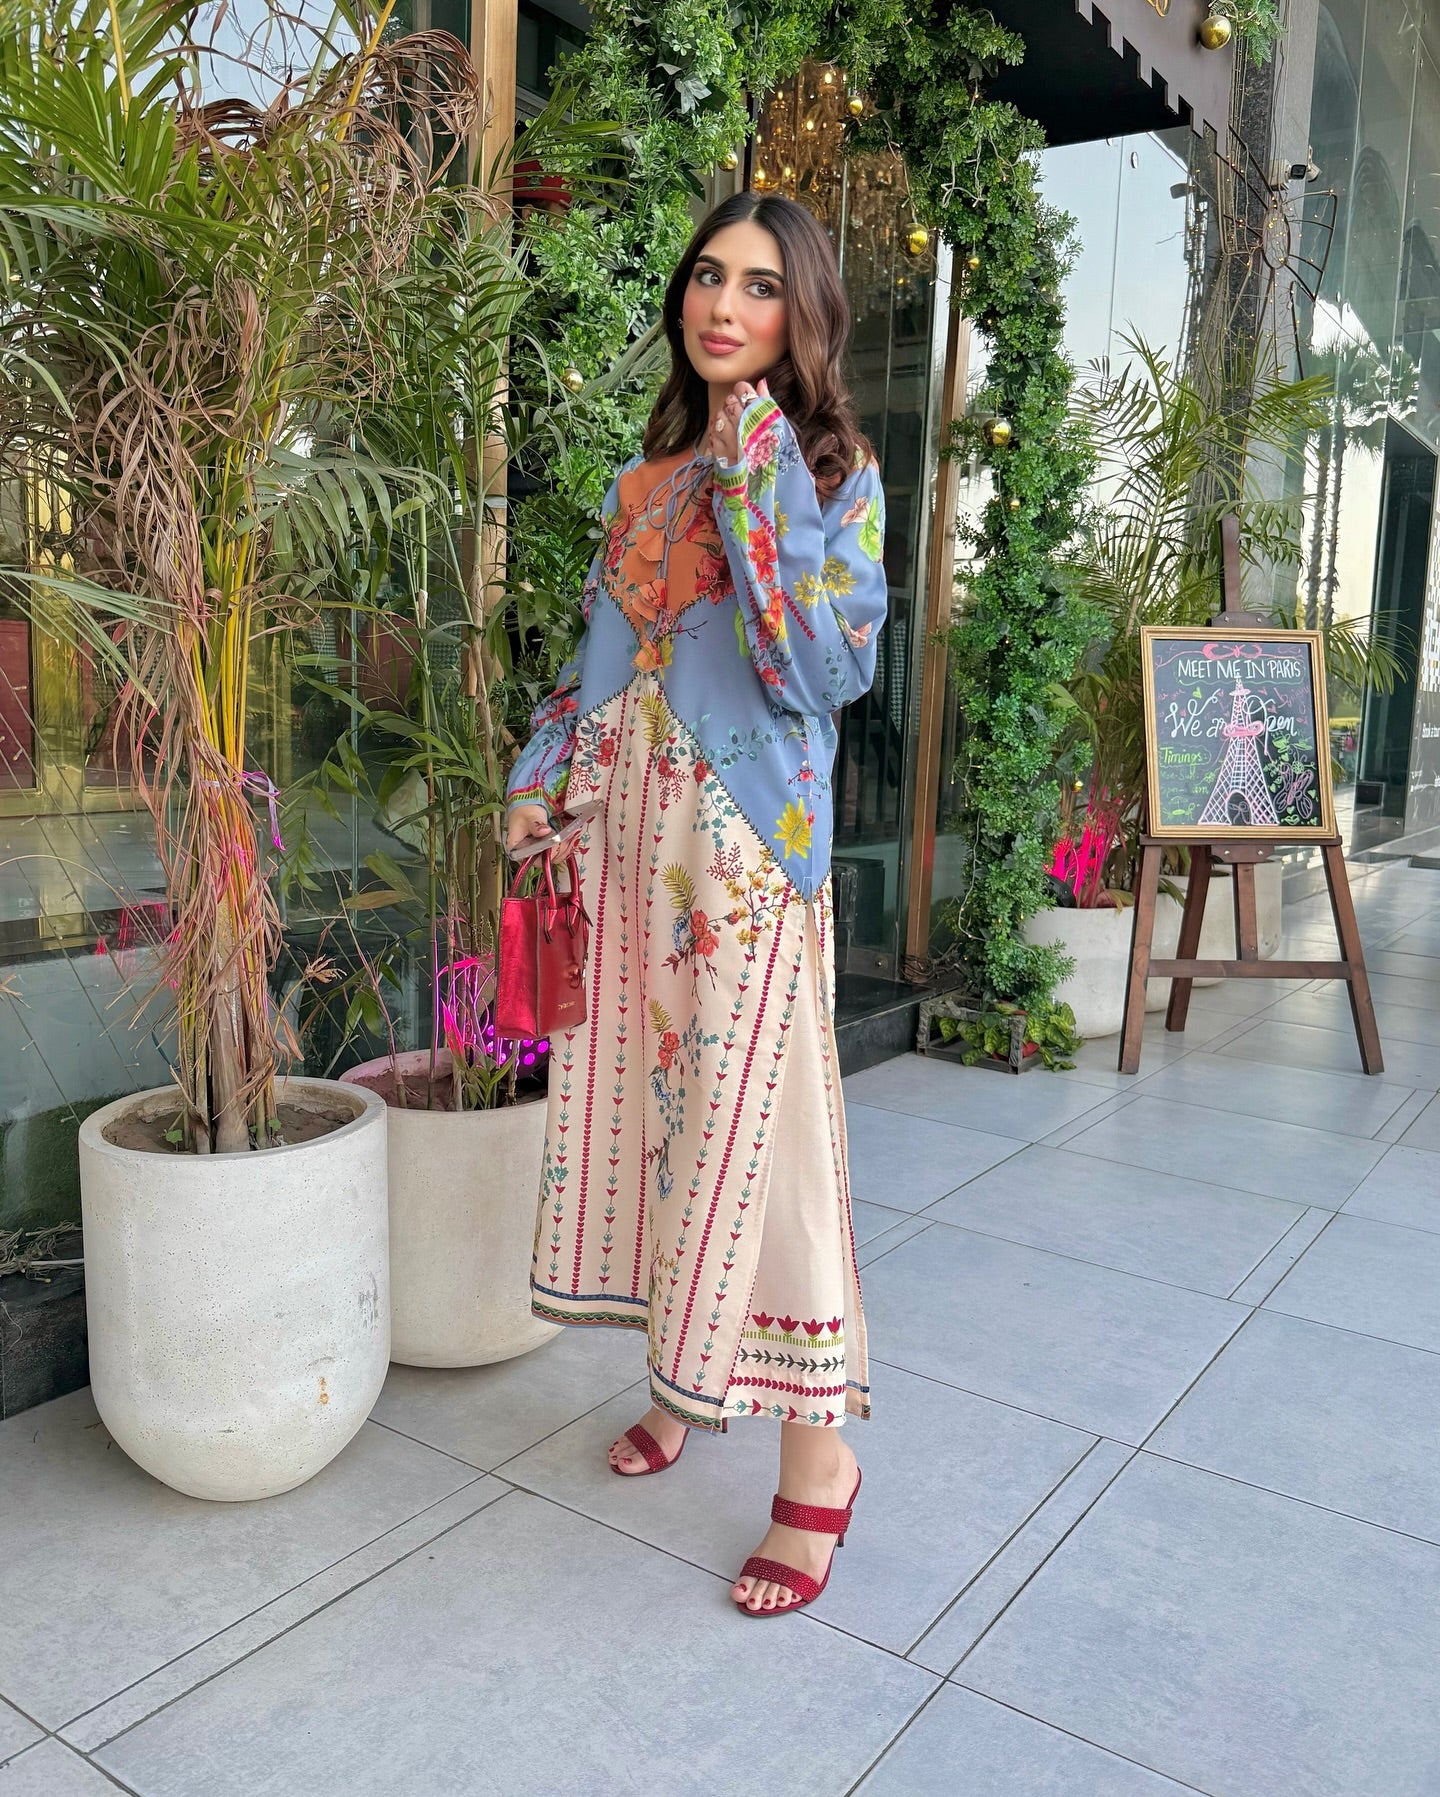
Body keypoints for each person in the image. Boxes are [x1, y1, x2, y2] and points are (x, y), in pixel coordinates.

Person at [505, 191, 887, 1617]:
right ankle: (683, 1376)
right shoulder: (637, 484)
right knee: (654, 1122)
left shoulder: (835, 475)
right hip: (627, 835)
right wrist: (540, 779)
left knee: (765, 1145)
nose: (725, 305)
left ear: (804, 314)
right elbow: (595, 665)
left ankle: (820, 1459)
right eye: (710, 277)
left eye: (762, 285)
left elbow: (823, 674)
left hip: (746, 855)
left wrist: (753, 479)